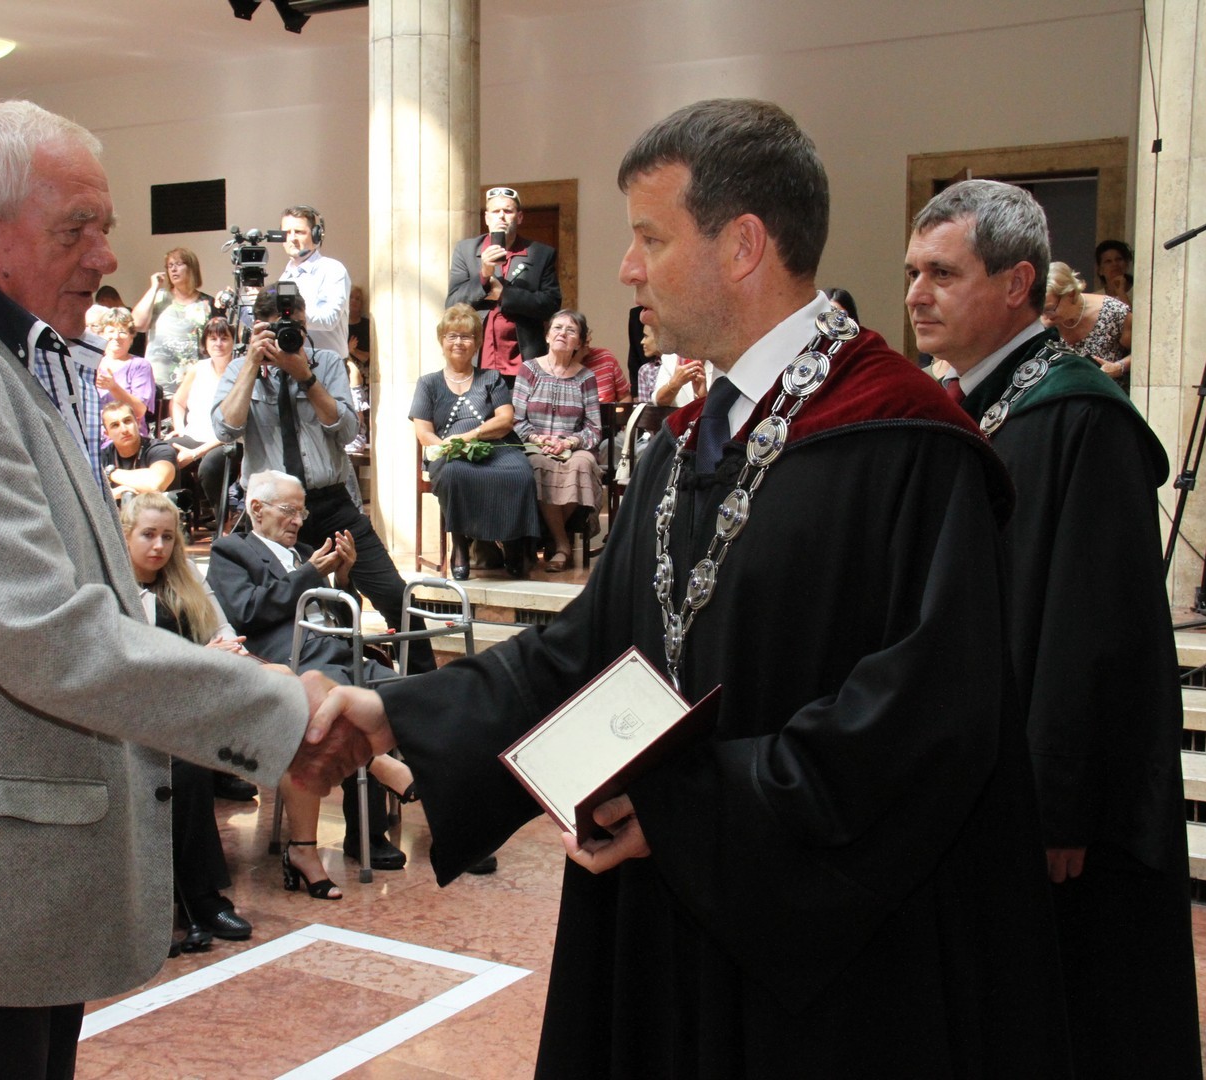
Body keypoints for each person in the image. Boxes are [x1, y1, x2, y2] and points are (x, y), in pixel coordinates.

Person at [313, 98, 1069, 1077]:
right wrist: (398, 712)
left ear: (743, 245)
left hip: (829, 963)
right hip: (666, 916)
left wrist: (693, 810)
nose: (628, 268)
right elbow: (588, 648)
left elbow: (927, 716)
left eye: (651, 237)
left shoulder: (905, 442)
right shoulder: (685, 441)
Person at [0, 100, 369, 1080]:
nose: (105, 257)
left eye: (103, 227)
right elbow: (49, 638)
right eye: (76, 230)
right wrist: (278, 710)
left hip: (2, 885)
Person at [907, 178, 1200, 1078]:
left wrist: (1062, 803)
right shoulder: (967, 403)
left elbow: (1093, 629)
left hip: (1054, 812)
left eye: (943, 274)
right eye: (914, 272)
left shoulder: (1079, 417)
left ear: (1016, 283)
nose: (917, 293)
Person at [207, 471, 416, 886]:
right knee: (348, 702)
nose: (298, 521)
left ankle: (444, 811)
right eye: (289, 510)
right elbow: (247, 611)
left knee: (407, 697)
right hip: (295, 660)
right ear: (257, 508)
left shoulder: (306, 553)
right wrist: (308, 575)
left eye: (302, 512)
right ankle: (368, 831)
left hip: (340, 652)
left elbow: (340, 617)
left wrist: (343, 578)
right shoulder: (232, 551)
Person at [213, 286, 433, 673]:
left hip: (331, 503)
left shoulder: (327, 363)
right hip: (274, 514)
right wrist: (250, 365)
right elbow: (224, 429)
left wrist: (306, 377)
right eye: (278, 328)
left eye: (297, 326)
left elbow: (347, 430)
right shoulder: (238, 370)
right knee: (297, 603)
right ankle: (329, 676)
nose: (290, 335)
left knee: (395, 595)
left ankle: (424, 684)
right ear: (257, 329)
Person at [120, 492, 253, 944]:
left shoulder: (183, 580)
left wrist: (227, 648)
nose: (159, 546)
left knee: (278, 683)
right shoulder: (112, 591)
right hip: (130, 715)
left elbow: (221, 628)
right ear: (125, 536)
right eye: (148, 535)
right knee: (187, 770)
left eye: (168, 537)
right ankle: (202, 898)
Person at [410, 304, 540, 580]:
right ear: (442, 340)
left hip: (497, 446)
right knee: (454, 474)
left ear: (478, 342)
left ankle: (513, 543)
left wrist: (470, 436)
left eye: (466, 336)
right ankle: (459, 545)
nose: (459, 342)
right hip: (449, 452)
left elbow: (505, 419)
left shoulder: (491, 378)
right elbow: (423, 432)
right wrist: (446, 446)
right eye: (452, 336)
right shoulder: (428, 383)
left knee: (520, 474)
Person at [446, 186, 561, 391]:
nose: (501, 216)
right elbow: (452, 304)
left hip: (522, 365)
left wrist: (504, 295)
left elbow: (551, 305)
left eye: (508, 211)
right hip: (476, 362)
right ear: (487, 218)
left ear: (519, 217)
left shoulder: (541, 253)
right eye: (496, 211)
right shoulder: (466, 250)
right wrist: (484, 275)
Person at [514, 311, 602, 572]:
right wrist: (537, 438)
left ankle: (555, 541)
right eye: (558, 328)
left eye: (571, 330)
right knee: (539, 465)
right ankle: (563, 544)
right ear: (547, 336)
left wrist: (569, 443)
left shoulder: (586, 378)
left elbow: (594, 429)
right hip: (536, 444)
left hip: (573, 447)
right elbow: (516, 420)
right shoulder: (529, 370)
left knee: (583, 465)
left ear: (579, 342)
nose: (563, 333)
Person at [169, 315, 243, 523]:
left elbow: (236, 426)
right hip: (195, 434)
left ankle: (223, 522)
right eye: (213, 338)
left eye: (224, 338)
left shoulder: (240, 371)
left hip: (226, 439)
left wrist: (195, 453)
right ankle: (178, 518)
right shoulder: (198, 369)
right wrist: (179, 428)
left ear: (233, 342)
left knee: (209, 467)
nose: (218, 343)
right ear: (205, 342)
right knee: (165, 453)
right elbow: (178, 402)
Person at [131, 247, 215, 387]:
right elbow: (137, 324)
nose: (173, 269)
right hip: (157, 382)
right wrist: (154, 287)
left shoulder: (207, 303)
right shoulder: (159, 297)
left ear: (191, 267)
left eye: (179, 264)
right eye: (170, 265)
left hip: (194, 382)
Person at [277, 205, 351, 358]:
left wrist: (288, 313)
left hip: (327, 365)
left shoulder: (332, 269)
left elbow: (329, 319)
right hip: (293, 362)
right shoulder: (285, 277)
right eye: (287, 233)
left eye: (299, 232)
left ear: (316, 235)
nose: (292, 238)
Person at [1041, 260, 1132, 379]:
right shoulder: (1043, 321)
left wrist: (1119, 366)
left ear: (1071, 294)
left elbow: (1144, 351)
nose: (1045, 316)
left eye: (1050, 309)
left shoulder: (1113, 311)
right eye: (1041, 310)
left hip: (1104, 388)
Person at [92, 307, 158, 438]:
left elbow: (139, 411)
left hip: (127, 437)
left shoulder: (140, 365)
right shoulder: (92, 364)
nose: (116, 337)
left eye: (122, 332)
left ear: (131, 337)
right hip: (94, 434)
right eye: (111, 331)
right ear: (101, 335)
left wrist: (113, 387)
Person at [102, 400, 178, 500]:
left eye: (127, 421)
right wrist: (112, 494)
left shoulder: (160, 450)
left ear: (137, 423)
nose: (124, 430)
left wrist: (110, 473)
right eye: (115, 425)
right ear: (107, 434)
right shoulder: (101, 457)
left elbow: (154, 485)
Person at [344, 285, 372, 453]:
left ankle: (357, 436)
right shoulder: (340, 325)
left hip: (360, 376)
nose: (354, 301)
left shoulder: (366, 325)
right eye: (351, 298)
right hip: (341, 372)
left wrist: (352, 351)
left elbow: (368, 356)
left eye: (358, 299)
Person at [1094, 238, 1134, 307]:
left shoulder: (1138, 293)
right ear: (1100, 270)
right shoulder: (1096, 299)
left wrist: (1121, 293)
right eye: (1108, 261)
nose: (1115, 264)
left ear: (1126, 264)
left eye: (1119, 259)